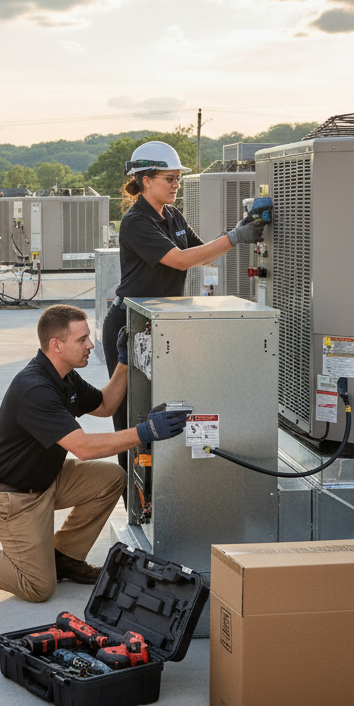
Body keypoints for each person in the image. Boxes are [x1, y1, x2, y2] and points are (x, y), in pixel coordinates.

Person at [0, 304, 189, 602]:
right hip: (11, 498)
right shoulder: (35, 388)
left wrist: (124, 362)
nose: (90, 345)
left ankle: (64, 558)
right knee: (38, 587)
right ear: (56, 345)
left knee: (111, 477)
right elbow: (83, 448)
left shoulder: (64, 377)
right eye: (82, 339)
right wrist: (145, 432)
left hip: (45, 480)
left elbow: (105, 405)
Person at [100, 141, 266, 473]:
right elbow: (179, 260)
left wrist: (239, 229)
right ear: (146, 180)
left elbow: (202, 253)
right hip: (130, 326)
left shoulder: (172, 214)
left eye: (178, 178)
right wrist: (235, 237)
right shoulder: (136, 221)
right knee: (132, 415)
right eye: (170, 178)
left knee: (163, 405)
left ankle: (162, 483)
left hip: (163, 324)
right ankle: (133, 489)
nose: (176, 184)